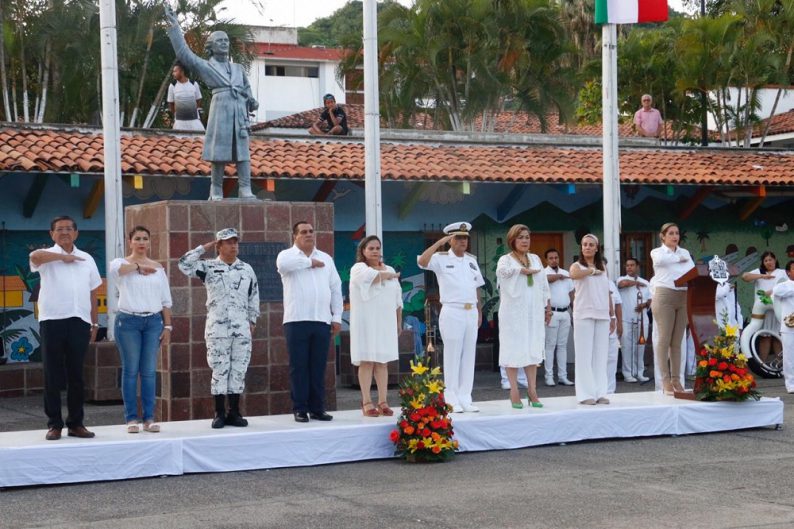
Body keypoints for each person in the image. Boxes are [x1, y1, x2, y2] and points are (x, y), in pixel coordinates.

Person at [164, 4, 259, 200]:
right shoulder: (206, 66)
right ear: (211, 46)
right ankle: (215, 189)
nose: (224, 43)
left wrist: (251, 101)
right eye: (219, 41)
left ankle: (245, 189)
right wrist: (174, 27)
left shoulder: (239, 68)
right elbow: (184, 54)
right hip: (220, 107)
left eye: (226, 40)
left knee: (243, 152)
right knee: (219, 151)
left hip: (239, 111)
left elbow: (247, 90)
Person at [178, 228, 260, 429]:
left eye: (235, 242)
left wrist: (252, 320)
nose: (233, 245)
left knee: (238, 370)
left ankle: (235, 412)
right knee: (219, 370)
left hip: (241, 328)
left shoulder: (246, 269)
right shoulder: (208, 267)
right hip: (218, 329)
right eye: (228, 242)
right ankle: (219, 413)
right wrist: (202, 247)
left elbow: (254, 295)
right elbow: (183, 264)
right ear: (219, 245)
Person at [29, 216, 102, 441]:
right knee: (52, 374)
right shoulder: (46, 256)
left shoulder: (87, 259)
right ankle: (54, 424)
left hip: (79, 321)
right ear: (52, 234)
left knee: (76, 374)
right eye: (59, 229)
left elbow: (93, 293)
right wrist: (63, 257)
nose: (65, 232)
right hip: (52, 320)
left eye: (69, 229)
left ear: (76, 233)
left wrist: (95, 323)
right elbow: (34, 256)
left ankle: (76, 423)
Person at [276, 221, 343, 423]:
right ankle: (300, 408)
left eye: (311, 231)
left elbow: (336, 288)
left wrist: (337, 316)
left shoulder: (326, 258)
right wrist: (309, 262)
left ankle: (317, 408)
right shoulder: (287, 256)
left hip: (321, 320)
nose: (309, 235)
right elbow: (282, 267)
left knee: (318, 366)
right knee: (299, 366)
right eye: (303, 232)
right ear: (294, 236)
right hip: (296, 320)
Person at [109, 226, 173, 434]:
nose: (142, 242)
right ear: (130, 242)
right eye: (137, 239)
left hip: (153, 322)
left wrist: (168, 326)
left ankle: (149, 417)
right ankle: (131, 419)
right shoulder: (121, 263)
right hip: (128, 322)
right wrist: (137, 267)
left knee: (148, 371)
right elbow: (117, 272)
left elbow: (165, 300)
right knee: (130, 370)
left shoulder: (158, 268)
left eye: (145, 238)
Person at [417, 222, 485, 413]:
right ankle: (451, 397)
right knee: (453, 354)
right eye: (459, 238)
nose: (463, 241)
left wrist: (479, 311)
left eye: (465, 238)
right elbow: (422, 261)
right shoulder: (440, 257)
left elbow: (476, 287)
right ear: (450, 240)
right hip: (452, 310)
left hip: (470, 311)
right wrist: (439, 243)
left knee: (469, 354)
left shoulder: (471, 260)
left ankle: (465, 397)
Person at [495, 225, 551, 409]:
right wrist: (521, 271)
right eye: (521, 238)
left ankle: (532, 390)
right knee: (513, 348)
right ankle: (514, 391)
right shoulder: (506, 260)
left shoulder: (535, 258)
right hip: (513, 314)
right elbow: (501, 274)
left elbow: (543, 284)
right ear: (513, 240)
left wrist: (547, 308)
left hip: (533, 313)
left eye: (527, 237)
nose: (525, 241)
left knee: (532, 348)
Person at [349, 235, 402, 417]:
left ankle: (383, 401)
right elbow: (371, 278)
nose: (375, 251)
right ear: (363, 251)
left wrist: (398, 322)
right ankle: (366, 402)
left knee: (382, 362)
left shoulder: (390, 269)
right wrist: (390, 276)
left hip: (385, 322)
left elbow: (398, 300)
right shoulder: (358, 268)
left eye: (377, 248)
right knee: (367, 361)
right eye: (371, 248)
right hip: (365, 322)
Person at [569, 234, 615, 405]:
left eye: (591, 245)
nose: (587, 247)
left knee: (600, 355)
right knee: (584, 355)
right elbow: (573, 274)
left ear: (597, 248)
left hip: (602, 314)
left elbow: (606, 290)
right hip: (583, 314)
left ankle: (600, 392)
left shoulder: (603, 266)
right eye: (584, 245)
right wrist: (590, 270)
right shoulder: (577, 265)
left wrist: (611, 315)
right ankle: (585, 394)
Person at [650, 222, 695, 395]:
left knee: (677, 341)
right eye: (671, 233)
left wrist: (681, 258)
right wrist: (678, 259)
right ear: (663, 236)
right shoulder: (657, 252)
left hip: (683, 296)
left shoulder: (684, 253)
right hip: (665, 296)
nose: (675, 236)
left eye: (677, 233)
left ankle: (676, 379)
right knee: (664, 338)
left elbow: (691, 270)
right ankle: (665, 380)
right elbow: (661, 261)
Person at [741, 251, 786, 363]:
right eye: (765, 260)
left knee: (777, 337)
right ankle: (762, 364)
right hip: (762, 312)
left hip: (779, 309)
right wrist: (762, 276)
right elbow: (744, 277)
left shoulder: (782, 272)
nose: (768, 262)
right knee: (764, 337)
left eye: (770, 259)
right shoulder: (759, 272)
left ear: (775, 260)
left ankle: (780, 365)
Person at [543, 248, 575, 387]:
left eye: (556, 257)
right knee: (550, 346)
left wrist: (574, 313)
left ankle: (563, 376)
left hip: (565, 312)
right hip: (552, 313)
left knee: (562, 346)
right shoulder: (543, 273)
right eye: (551, 258)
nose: (554, 260)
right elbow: (545, 280)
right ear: (547, 260)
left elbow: (572, 294)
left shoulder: (566, 273)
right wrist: (558, 277)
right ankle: (549, 376)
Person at [617, 257, 651, 383]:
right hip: (626, 319)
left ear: (638, 267)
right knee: (627, 347)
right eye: (627, 265)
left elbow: (651, 299)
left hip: (642, 320)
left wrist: (645, 305)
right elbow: (622, 285)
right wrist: (636, 283)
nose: (629, 267)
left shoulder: (646, 282)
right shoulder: (622, 279)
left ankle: (639, 372)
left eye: (632, 265)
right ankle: (628, 374)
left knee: (640, 347)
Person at [772, 261, 794, 393]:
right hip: (790, 326)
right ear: (788, 272)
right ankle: (791, 384)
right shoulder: (783, 285)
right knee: (790, 356)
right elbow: (776, 291)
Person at [167, 62, 204, 131]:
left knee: (201, 138)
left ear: (181, 72)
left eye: (175, 71)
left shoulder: (193, 84)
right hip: (179, 122)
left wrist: (192, 110)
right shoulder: (172, 86)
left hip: (194, 121)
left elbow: (198, 99)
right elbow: (171, 103)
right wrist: (176, 114)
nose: (173, 74)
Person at [605, 274, 623, 394]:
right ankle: (598, 389)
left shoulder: (611, 283)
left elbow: (618, 304)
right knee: (599, 359)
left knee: (612, 358)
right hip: (598, 323)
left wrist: (620, 323)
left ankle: (610, 390)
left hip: (612, 324)